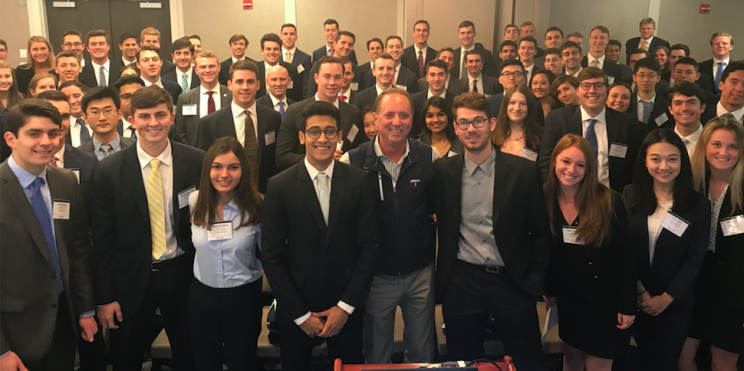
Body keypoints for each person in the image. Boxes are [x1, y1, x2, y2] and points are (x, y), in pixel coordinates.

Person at [433, 92, 551, 370]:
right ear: (455, 127)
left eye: (478, 121)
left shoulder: (524, 172)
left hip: (511, 280)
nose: (471, 129)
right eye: (463, 123)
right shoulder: (442, 172)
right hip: (462, 281)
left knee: (529, 362)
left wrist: (534, 281)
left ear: (493, 123)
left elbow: (541, 234)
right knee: (463, 362)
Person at [261, 101, 379, 371]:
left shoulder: (358, 181)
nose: (322, 139)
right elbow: (271, 255)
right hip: (298, 306)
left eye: (329, 132)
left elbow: (370, 246)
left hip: (346, 305)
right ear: (301, 137)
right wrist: (300, 315)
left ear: (339, 136)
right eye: (314, 132)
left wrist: (346, 306)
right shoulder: (279, 186)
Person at [91, 86, 204, 371]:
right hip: (130, 281)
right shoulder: (108, 171)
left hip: (183, 274)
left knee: (191, 356)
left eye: (160, 115)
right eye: (144, 116)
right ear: (130, 119)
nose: (153, 122)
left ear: (172, 116)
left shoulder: (196, 161)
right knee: (127, 359)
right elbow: (102, 240)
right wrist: (105, 298)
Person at [341, 88, 439, 364]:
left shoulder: (429, 157)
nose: (397, 121)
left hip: (420, 272)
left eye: (404, 115)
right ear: (375, 118)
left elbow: (438, 209)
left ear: (412, 119)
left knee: (422, 352)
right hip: (376, 276)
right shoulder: (353, 162)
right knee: (376, 354)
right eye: (389, 114)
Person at [0, 99, 96, 371]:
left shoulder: (65, 181)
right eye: (34, 133)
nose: (46, 141)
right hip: (13, 330)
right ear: (10, 138)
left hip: (63, 322)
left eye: (53, 133)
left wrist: (86, 308)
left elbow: (78, 249)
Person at [543, 134, 635, 371]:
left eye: (580, 164)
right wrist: (549, 291)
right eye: (565, 161)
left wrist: (627, 306)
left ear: (589, 168)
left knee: (598, 366)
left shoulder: (608, 201)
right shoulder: (545, 199)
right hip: (570, 300)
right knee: (572, 361)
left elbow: (626, 256)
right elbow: (549, 253)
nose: (571, 169)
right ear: (554, 162)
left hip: (607, 303)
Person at [623, 129, 710, 371]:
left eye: (672, 158)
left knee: (665, 363)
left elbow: (695, 259)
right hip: (638, 298)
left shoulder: (698, 204)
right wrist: (642, 294)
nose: (664, 166)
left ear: (682, 160)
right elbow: (624, 251)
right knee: (641, 360)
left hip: (676, 303)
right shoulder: (630, 195)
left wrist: (666, 298)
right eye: (656, 159)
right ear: (645, 161)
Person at [37, 89, 105, 371]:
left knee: (90, 352)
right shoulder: (19, 168)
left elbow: (95, 221)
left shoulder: (88, 161)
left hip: (82, 272)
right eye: (52, 115)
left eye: (64, 116)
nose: (59, 123)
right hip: (39, 286)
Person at [187, 137, 264, 370]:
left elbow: (270, 254)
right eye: (217, 166)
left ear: (243, 170)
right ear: (207, 169)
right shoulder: (194, 201)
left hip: (243, 297)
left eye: (233, 167)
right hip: (202, 296)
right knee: (204, 361)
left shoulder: (257, 206)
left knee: (242, 361)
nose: (224, 174)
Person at [681, 117, 744, 371]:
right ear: (704, 146)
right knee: (682, 357)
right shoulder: (690, 187)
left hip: (734, 292)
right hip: (693, 286)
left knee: (723, 362)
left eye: (732, 146)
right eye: (717, 144)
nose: (724, 152)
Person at [540, 67, 646, 193]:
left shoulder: (627, 123)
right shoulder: (557, 119)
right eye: (586, 86)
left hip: (612, 198)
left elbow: (635, 165)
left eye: (598, 85)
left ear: (606, 90)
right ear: (577, 91)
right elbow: (546, 161)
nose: (592, 91)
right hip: (568, 195)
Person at [197, 59, 282, 194]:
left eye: (250, 82)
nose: (245, 87)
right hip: (226, 196)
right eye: (239, 82)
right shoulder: (210, 123)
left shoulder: (273, 118)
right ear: (230, 84)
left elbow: (276, 161)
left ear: (258, 85)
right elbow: (205, 166)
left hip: (265, 194)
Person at [276, 56, 365, 170]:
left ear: (343, 79)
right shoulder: (295, 112)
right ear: (316, 78)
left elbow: (359, 151)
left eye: (337, 77)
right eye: (327, 77)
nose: (332, 82)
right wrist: (319, 159)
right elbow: (282, 157)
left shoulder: (354, 113)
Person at [174, 50, 231, 147]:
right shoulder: (185, 98)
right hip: (195, 154)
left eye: (212, 66)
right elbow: (181, 131)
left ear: (219, 67)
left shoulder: (231, 95)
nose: (208, 70)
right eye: (203, 67)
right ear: (195, 70)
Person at [78, 86, 135, 159]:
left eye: (108, 111)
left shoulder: (136, 147)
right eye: (95, 112)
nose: (102, 118)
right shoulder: (78, 155)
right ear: (85, 118)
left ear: (119, 114)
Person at [305, 31, 364, 98]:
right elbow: (311, 94)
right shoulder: (319, 66)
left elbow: (360, 98)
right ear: (334, 44)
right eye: (343, 43)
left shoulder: (358, 71)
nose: (346, 47)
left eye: (350, 44)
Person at [492, 84, 543, 161]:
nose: (517, 108)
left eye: (523, 104)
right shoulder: (492, 135)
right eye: (512, 102)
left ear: (529, 107)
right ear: (505, 105)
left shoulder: (541, 135)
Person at [411, 59, 453, 138]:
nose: (436, 79)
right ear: (426, 77)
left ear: (447, 77)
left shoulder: (455, 101)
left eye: (440, 74)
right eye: (432, 75)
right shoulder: (414, 101)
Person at [255, 33, 303, 102]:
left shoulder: (291, 70)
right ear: (262, 51)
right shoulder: (254, 70)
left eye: (275, 49)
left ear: (280, 52)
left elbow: (297, 96)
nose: (272, 52)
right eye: (268, 49)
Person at [630, 58, 672, 129]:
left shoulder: (666, 103)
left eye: (651, 75)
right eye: (641, 75)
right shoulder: (627, 101)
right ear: (634, 77)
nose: (646, 80)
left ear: (658, 78)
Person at [668, 82, 706, 158]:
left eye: (691, 102)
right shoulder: (661, 140)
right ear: (670, 109)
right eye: (678, 103)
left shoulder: (713, 141)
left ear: (702, 107)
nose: (684, 108)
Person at [59, 80, 91, 147]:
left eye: (76, 96)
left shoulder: (98, 118)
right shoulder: (59, 126)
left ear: (85, 95)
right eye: (66, 98)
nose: (72, 101)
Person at [114, 74, 145, 140]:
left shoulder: (158, 125)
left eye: (137, 95)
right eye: (126, 97)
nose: (133, 101)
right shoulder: (111, 127)